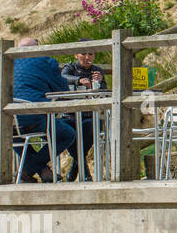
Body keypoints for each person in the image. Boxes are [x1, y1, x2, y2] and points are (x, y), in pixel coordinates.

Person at [12, 37, 76, 183]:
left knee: (14, 135)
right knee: (67, 135)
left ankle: (42, 171)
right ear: (38, 48)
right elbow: (62, 91)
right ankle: (26, 171)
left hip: (6, 119)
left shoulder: (7, 63)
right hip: (33, 116)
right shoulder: (46, 61)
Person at [59, 45, 107, 181]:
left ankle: (77, 165)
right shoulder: (70, 68)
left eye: (91, 54)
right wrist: (78, 80)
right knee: (68, 130)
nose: (87, 57)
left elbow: (104, 92)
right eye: (83, 53)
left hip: (90, 114)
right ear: (76, 55)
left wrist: (99, 82)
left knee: (94, 126)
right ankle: (84, 170)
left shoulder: (97, 71)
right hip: (70, 114)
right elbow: (63, 77)